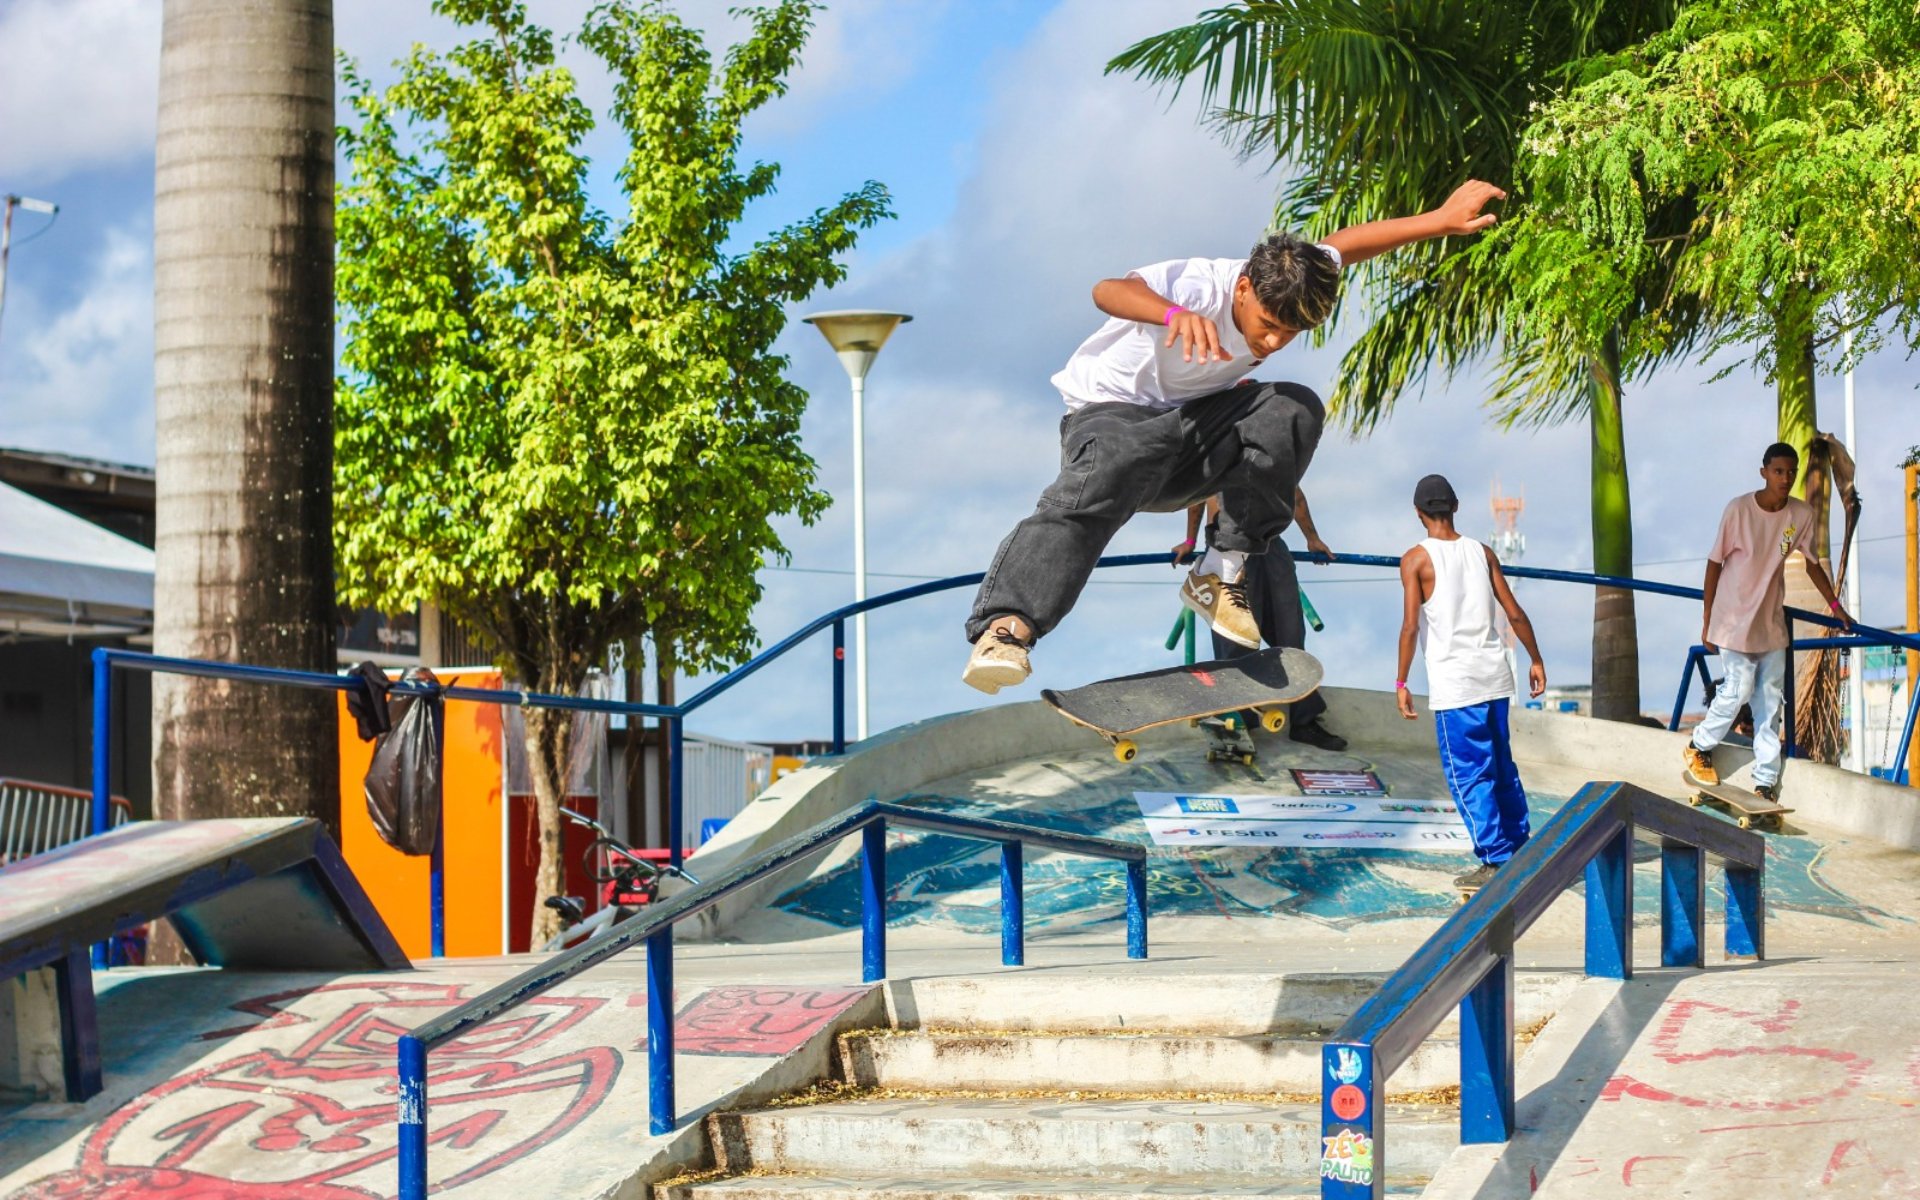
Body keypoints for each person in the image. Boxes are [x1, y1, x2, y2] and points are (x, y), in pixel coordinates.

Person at [959, 181, 1509, 694]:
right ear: (1243, 287)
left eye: (1290, 333)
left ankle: (1221, 571)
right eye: (1268, 324)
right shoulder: (1199, 283)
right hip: (1109, 422)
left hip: (1193, 438)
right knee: (1117, 461)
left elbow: (1346, 244)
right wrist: (1172, 313)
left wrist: (1438, 221)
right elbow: (1107, 290)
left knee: (1293, 407)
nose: (1272, 341)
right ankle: (1007, 628)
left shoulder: (1294, 275)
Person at [1394, 474, 1546, 894]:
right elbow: (1513, 612)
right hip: (1496, 679)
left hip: (1457, 685)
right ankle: (1519, 846)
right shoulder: (1482, 552)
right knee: (1501, 765)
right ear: (1456, 506)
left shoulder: (1416, 560)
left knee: (1469, 774)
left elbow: (1410, 627)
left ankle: (1496, 859)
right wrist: (1535, 658)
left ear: (1418, 513)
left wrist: (1402, 680)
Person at [1683, 442, 1852, 801]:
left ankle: (1764, 782)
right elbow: (1714, 563)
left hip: (1770, 621)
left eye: (1791, 472)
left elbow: (1810, 562)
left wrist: (1835, 606)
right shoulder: (1739, 510)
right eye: (1778, 471)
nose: (1785, 478)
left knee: (1770, 704)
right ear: (1764, 472)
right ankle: (1699, 745)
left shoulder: (1800, 515)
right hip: (1731, 619)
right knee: (1739, 687)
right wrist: (1707, 618)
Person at [1171, 489, 1347, 750]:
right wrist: (1189, 540)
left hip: (1270, 547)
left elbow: (1294, 494)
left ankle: (1305, 721)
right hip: (1226, 549)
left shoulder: (1268, 453)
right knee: (1233, 642)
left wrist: (1312, 538)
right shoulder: (1216, 455)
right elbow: (1197, 496)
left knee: (1291, 639)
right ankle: (1238, 725)